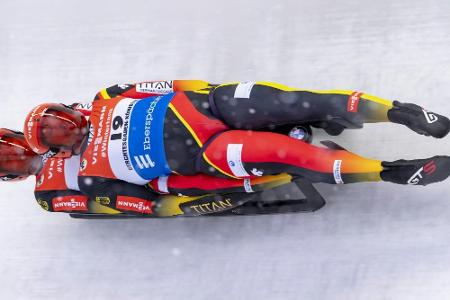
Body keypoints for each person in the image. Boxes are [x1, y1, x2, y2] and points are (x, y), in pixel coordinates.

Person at [22, 80, 450, 215]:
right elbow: (153, 204)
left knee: (300, 100)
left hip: (211, 105)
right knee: (288, 154)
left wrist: (212, 87)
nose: (66, 130)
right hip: (208, 148)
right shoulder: (92, 174)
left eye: (59, 121)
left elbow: (166, 84)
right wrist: (214, 197)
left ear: (68, 109)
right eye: (55, 135)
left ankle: (402, 113)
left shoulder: (105, 96)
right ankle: (392, 170)